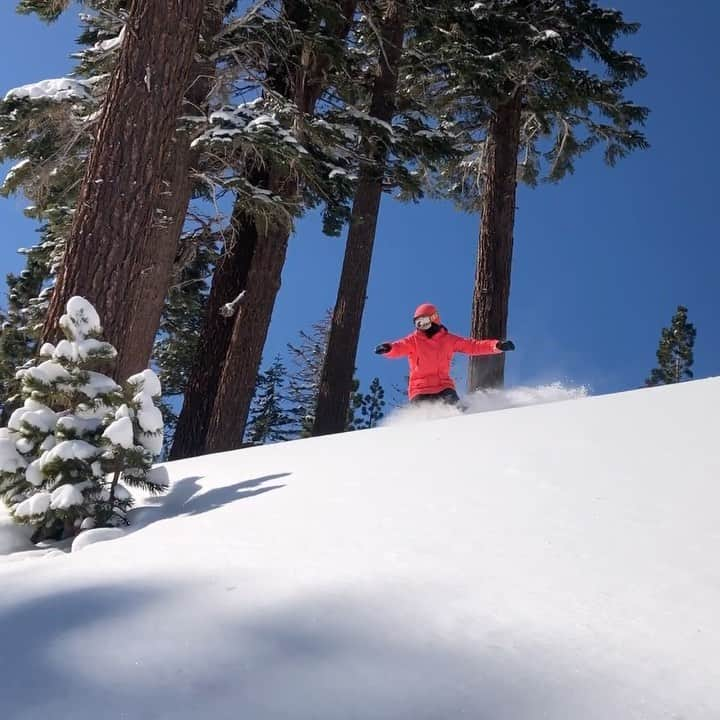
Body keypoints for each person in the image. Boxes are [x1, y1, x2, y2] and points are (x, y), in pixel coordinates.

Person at [374, 303, 515, 405]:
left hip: (443, 387)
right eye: (418, 324)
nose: (422, 327)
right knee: (421, 420)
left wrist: (496, 346)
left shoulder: (448, 340)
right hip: (419, 390)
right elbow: (399, 347)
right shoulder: (413, 340)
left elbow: (472, 346)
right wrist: (388, 348)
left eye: (424, 322)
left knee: (458, 411)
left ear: (434, 319)